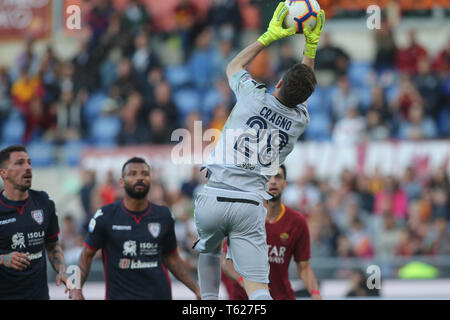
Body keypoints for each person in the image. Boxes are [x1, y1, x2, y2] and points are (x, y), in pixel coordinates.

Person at [193, 2, 325, 300]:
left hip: (213, 194)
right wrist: (311, 45)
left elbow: (233, 66)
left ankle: (208, 302)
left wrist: (268, 36)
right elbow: (302, 88)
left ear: (278, 82)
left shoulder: (252, 97)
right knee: (258, 289)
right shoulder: (299, 121)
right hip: (250, 204)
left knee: (210, 252)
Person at [70, 157, 200, 300]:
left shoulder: (163, 215)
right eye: (132, 174)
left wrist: (197, 289)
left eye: (144, 174)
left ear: (150, 180)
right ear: (121, 182)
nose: (139, 177)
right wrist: (76, 289)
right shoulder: (105, 215)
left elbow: (173, 259)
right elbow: (86, 255)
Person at [221, 165, 321, 300]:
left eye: (278, 177)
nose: (273, 181)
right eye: (268, 177)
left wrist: (315, 294)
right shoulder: (243, 217)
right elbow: (226, 262)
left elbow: (304, 268)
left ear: (285, 184)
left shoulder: (297, 222)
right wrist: (247, 284)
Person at [0, 145, 68, 299]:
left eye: (29, 162)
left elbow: (52, 245)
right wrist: (3, 259)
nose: (28, 167)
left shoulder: (44, 202)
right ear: (3, 173)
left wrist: (62, 271)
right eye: (20, 163)